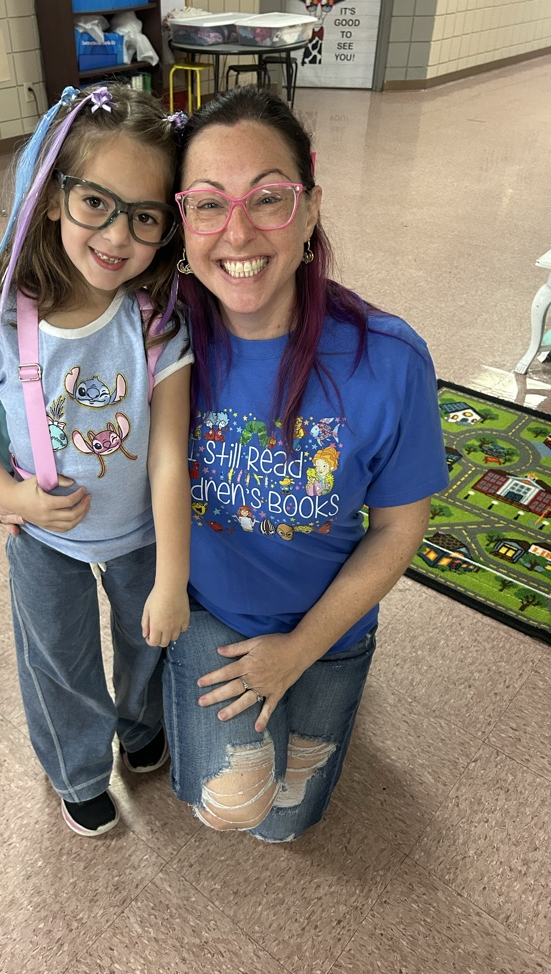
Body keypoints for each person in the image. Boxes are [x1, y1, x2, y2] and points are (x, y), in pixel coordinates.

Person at [162, 86, 449, 842]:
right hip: (209, 616)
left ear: (311, 209)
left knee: (287, 822)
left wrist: (298, 652)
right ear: (182, 222)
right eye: (206, 204)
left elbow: (397, 530)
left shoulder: (387, 359)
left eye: (267, 199)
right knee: (237, 810)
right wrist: (16, 483)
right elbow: (36, 333)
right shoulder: (162, 344)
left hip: (328, 623)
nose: (237, 231)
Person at [0, 84, 193, 837]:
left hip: (143, 533)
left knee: (148, 641)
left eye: (144, 216)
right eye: (97, 203)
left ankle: (141, 729)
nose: (118, 235)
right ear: (53, 197)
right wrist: (9, 497)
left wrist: (174, 577)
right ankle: (78, 768)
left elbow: (170, 454)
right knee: (58, 660)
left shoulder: (156, 323)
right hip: (43, 537)